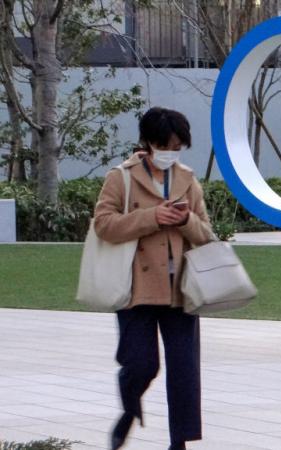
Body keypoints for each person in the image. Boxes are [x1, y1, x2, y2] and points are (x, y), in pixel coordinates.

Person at [93, 107, 213, 450]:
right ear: (147, 141)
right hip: (136, 289)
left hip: (180, 290)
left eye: (177, 146)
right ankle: (129, 409)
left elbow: (205, 233)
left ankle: (180, 442)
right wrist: (152, 217)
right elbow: (103, 224)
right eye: (165, 144)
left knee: (185, 372)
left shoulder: (188, 178)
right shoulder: (122, 177)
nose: (171, 152)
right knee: (140, 364)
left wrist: (185, 220)